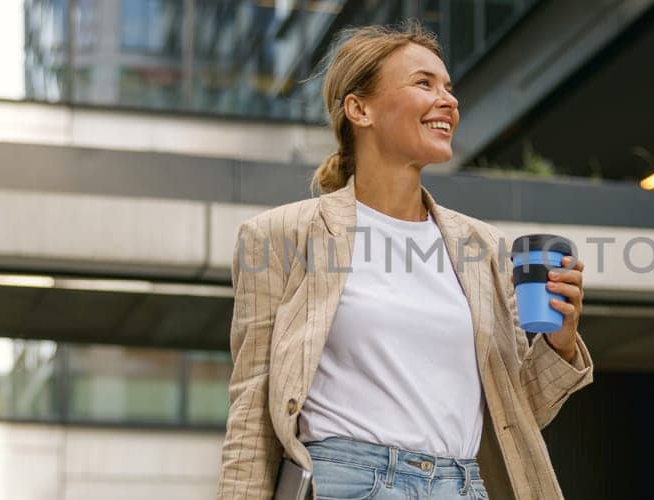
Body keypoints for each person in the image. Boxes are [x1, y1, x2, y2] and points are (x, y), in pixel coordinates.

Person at [218, 20, 595, 500]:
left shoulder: (483, 248)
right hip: (346, 482)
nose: (449, 100)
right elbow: (252, 408)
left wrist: (559, 344)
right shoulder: (280, 237)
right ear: (360, 109)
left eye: (448, 87)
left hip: (460, 486)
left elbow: (515, 414)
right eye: (424, 83)